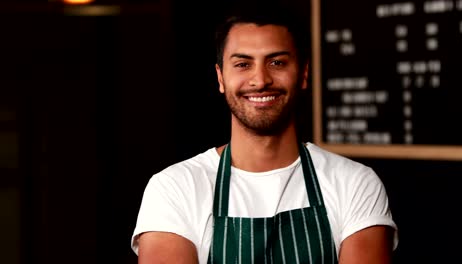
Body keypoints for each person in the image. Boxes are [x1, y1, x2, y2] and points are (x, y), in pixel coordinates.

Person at [131, 2, 398, 263]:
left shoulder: (355, 183)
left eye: (277, 63)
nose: (260, 80)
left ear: (303, 73)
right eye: (243, 64)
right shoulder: (175, 188)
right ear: (221, 78)